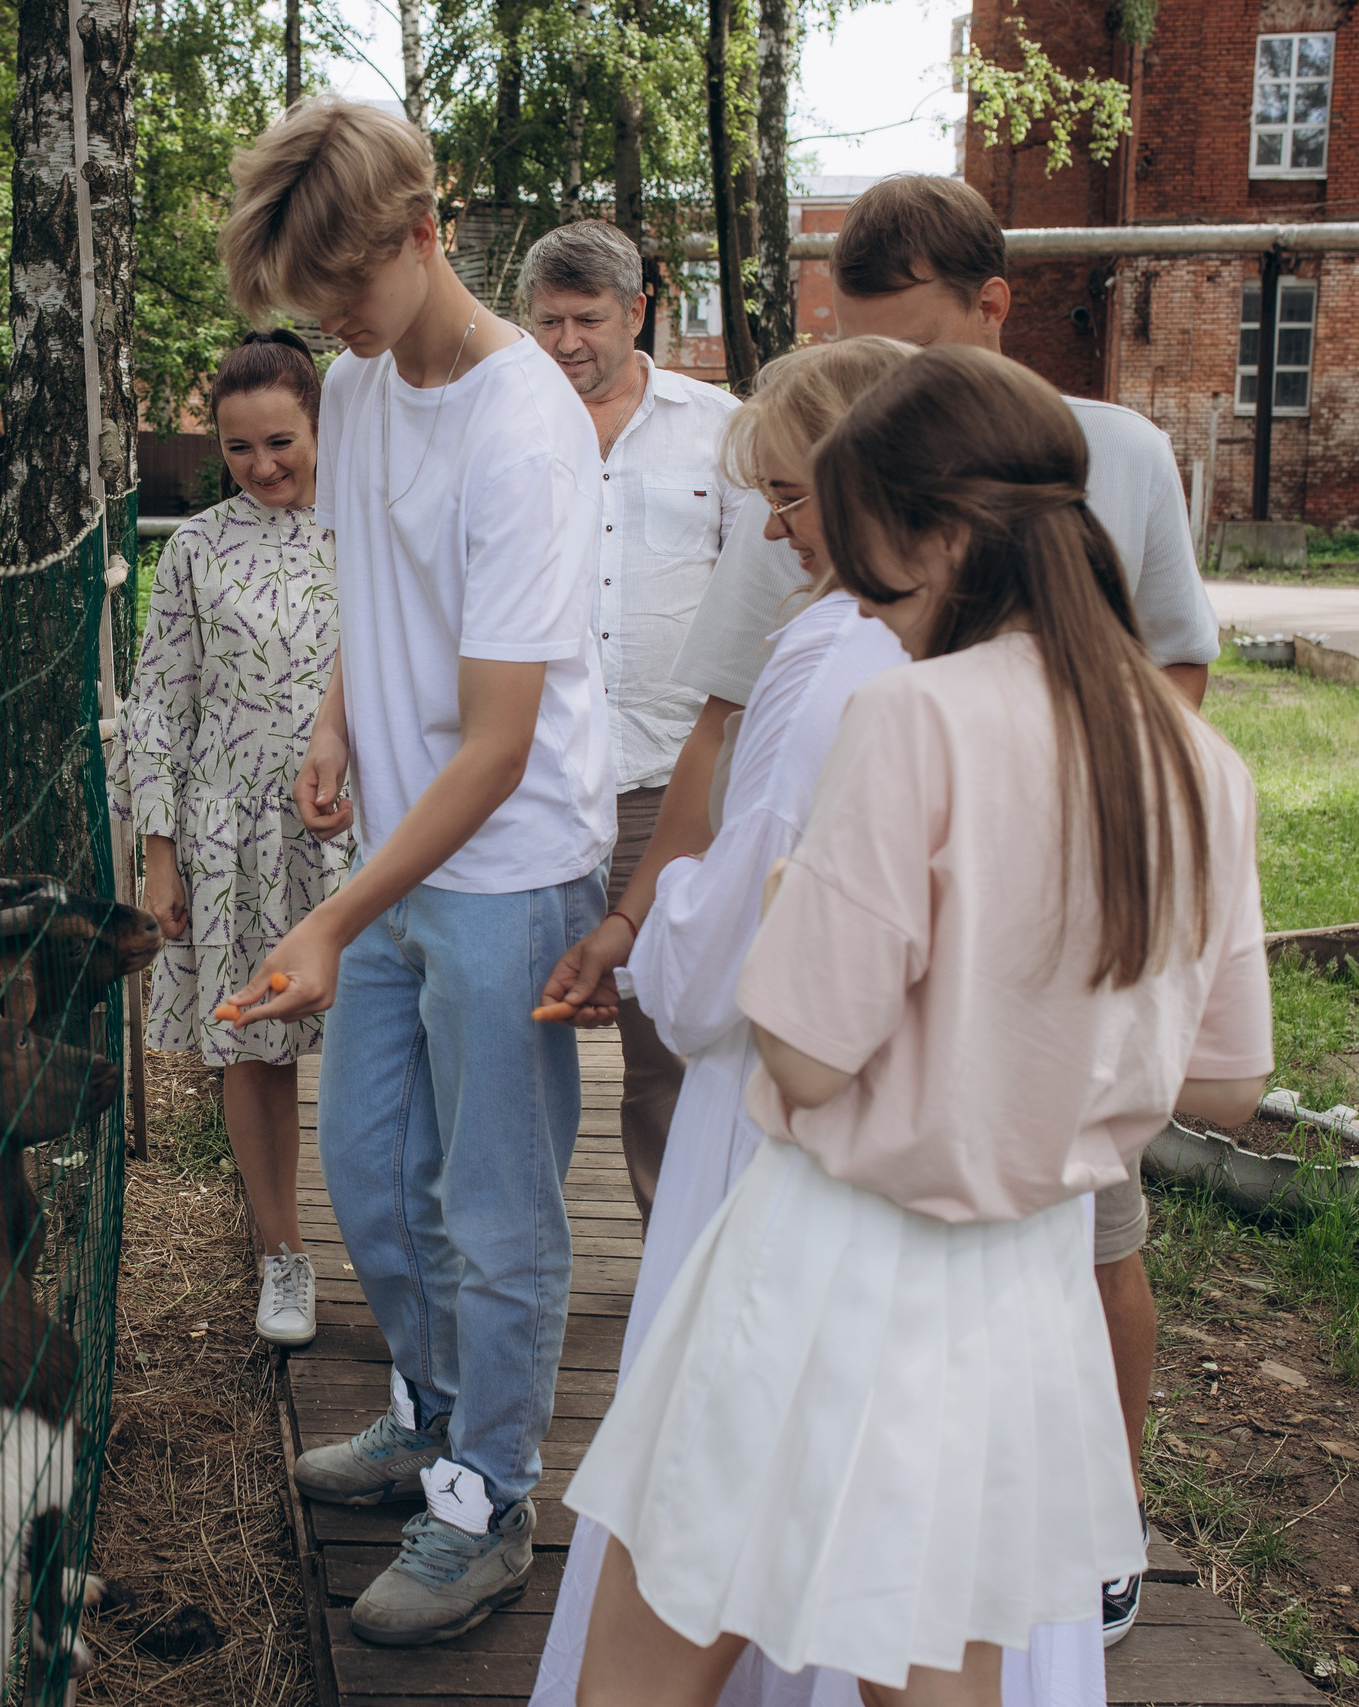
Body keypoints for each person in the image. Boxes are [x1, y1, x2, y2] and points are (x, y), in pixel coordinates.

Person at [541, 173, 1220, 1643]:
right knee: (941, 1644)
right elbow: (1219, 1071)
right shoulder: (1193, 760)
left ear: (933, 533)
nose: (859, 601)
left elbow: (805, 1056)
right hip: (1028, 1276)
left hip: (838, 1244)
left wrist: (787, 905)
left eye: (858, 549)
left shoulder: (912, 721)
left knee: (667, 1621)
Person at [530, 337, 1100, 1707]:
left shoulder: (868, 678)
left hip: (831, 1191)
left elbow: (780, 1006)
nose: (779, 533)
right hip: (1022, 1230)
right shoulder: (1142, 731)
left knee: (704, 1544)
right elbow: (1218, 1060)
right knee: (935, 1580)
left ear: (898, 509)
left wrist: (710, 922)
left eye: (793, 496)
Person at [212, 96, 612, 1647]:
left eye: (346, 294)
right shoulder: (366, 381)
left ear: (426, 231)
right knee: (374, 1181)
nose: (331, 329)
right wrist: (333, 716)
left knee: (492, 1209)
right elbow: (376, 594)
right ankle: (429, 1412)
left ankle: (489, 1494)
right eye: (308, 309)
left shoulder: (527, 429)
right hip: (391, 848)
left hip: (504, 868)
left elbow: (502, 740)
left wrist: (328, 912)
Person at [126, 329, 349, 1348]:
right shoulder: (193, 549)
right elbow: (158, 709)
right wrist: (160, 853)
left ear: (320, 426)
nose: (263, 465)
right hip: (229, 840)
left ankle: (409, 1252)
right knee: (254, 1053)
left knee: (376, 1045)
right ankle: (281, 1258)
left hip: (354, 836)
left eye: (281, 442)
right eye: (240, 447)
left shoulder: (368, 532)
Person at [521, 218, 746, 1225]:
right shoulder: (510, 427)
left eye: (586, 319)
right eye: (546, 322)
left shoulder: (723, 429)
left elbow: (764, 595)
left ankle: (672, 1266)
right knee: (515, 1046)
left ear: (639, 310)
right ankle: (518, 1263)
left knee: (670, 1050)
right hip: (525, 786)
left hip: (671, 789)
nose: (565, 342)